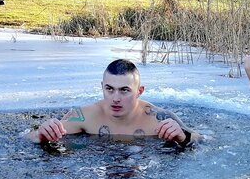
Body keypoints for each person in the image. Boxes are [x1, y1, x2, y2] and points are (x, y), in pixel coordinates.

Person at [27, 59, 198, 146]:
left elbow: (199, 139)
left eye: (124, 90)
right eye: (109, 89)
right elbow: (28, 136)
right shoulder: (85, 116)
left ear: (139, 91)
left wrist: (182, 137)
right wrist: (42, 134)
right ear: (102, 87)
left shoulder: (157, 118)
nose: (115, 98)